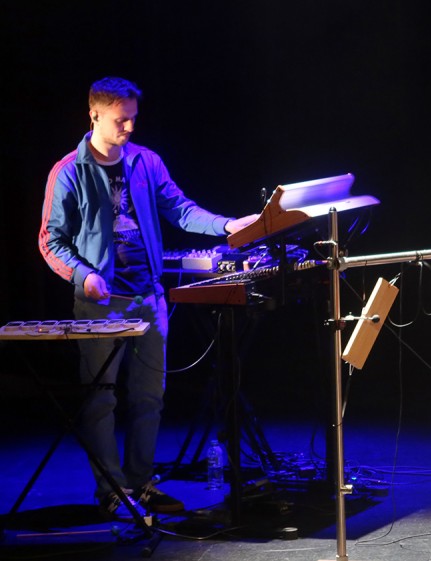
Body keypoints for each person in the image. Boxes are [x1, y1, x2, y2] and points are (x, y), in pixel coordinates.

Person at [38, 77, 257, 516]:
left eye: (134, 118)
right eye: (121, 120)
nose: (130, 127)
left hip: (148, 297)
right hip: (100, 304)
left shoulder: (146, 161)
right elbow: (50, 240)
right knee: (101, 400)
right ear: (94, 115)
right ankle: (112, 492)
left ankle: (140, 484)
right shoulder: (69, 171)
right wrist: (83, 275)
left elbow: (180, 209)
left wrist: (227, 225)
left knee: (149, 398)